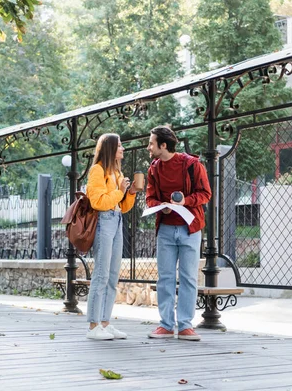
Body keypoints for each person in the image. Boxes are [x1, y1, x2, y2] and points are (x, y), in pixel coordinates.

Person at [145, 125, 212, 341]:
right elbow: (149, 198)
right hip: (165, 228)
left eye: (151, 143)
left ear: (163, 145)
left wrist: (186, 201)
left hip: (189, 228)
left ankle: (185, 326)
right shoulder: (154, 168)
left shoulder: (192, 165)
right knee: (165, 278)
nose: (148, 147)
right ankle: (165, 325)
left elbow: (205, 194)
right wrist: (161, 206)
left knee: (188, 277)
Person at [85, 133, 139, 340]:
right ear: (109, 149)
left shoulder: (117, 172)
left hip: (116, 220)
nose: (123, 149)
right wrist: (119, 191)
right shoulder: (97, 170)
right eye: (119, 146)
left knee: (113, 275)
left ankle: (105, 324)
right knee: (101, 274)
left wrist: (130, 192)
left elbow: (122, 207)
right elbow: (98, 201)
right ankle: (92, 326)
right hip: (104, 221)